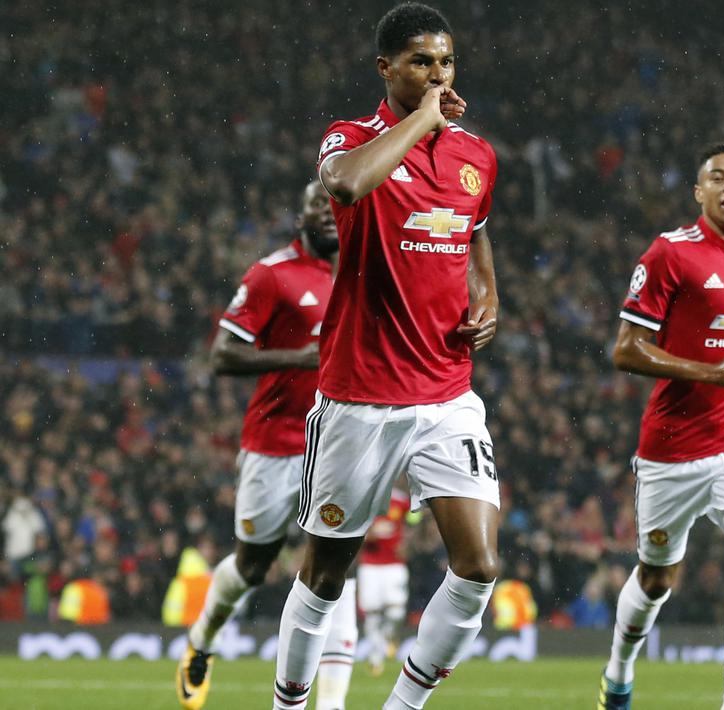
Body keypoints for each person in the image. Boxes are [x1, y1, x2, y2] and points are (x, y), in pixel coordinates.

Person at [270, 3, 501, 709]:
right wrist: (423, 120)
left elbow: (476, 232)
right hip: (359, 394)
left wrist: (488, 293)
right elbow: (345, 185)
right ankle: (288, 702)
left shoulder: (475, 156)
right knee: (326, 574)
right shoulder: (350, 137)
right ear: (387, 68)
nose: (437, 74)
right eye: (421, 62)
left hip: (444, 393)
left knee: (479, 565)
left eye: (446, 62)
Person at [599, 140, 724, 710]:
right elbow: (626, 350)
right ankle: (618, 672)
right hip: (672, 449)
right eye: (718, 178)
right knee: (657, 578)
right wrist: (709, 371)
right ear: (699, 192)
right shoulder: (669, 255)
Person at [176, 180, 354, 710]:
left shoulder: (364, 272)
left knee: (335, 565)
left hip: (341, 440)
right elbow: (222, 356)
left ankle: (330, 703)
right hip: (275, 441)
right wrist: (296, 358)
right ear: (300, 217)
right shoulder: (272, 274)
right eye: (316, 206)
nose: (326, 213)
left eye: (335, 205)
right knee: (253, 565)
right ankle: (202, 640)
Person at [359, 486, 412, 675]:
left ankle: (389, 636)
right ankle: (375, 658)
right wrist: (368, 536)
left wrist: (408, 542)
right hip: (370, 565)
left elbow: (414, 521)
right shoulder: (366, 496)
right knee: (372, 614)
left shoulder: (402, 500)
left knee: (396, 612)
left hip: (394, 564)